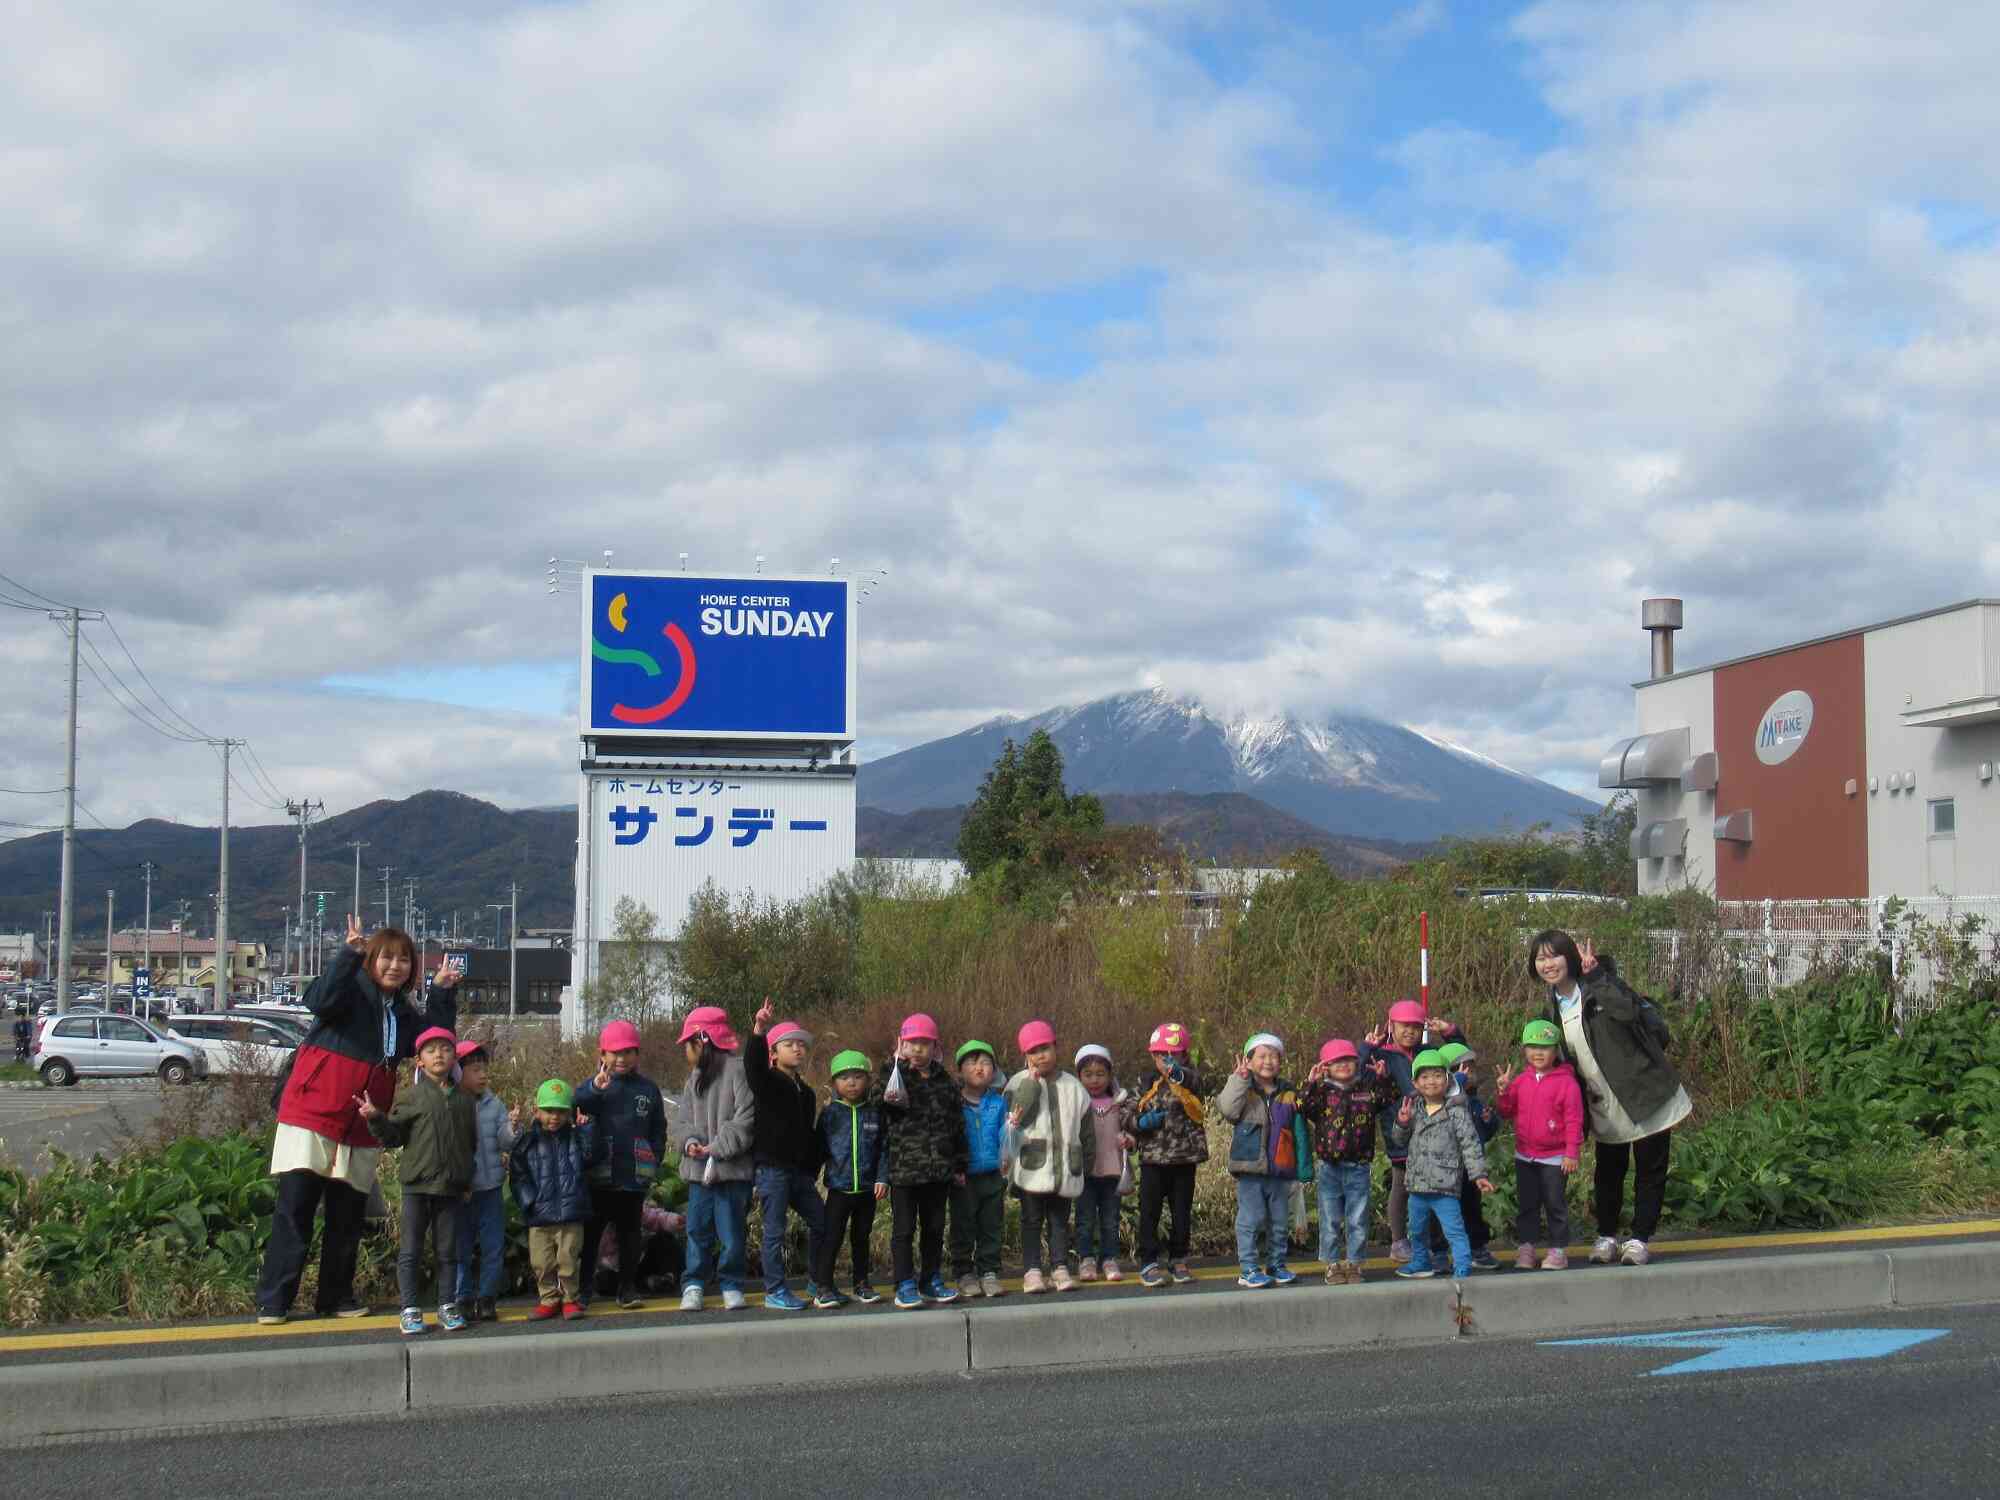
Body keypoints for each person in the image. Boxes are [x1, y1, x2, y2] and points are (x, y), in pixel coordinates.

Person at [255, 914, 459, 1324]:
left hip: (362, 1121)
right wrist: (347, 955)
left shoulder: (402, 1012)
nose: (395, 966)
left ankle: (335, 1296)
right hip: (312, 1111)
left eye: (404, 960)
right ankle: (274, 1300)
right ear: (371, 959)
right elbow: (318, 1000)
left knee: (347, 1215)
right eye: (386, 957)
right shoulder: (349, 989)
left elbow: (434, 1042)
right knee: (295, 1207)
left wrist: (440, 993)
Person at [1530, 929, 1691, 1266]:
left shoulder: (1600, 985)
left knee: (1650, 1168)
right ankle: (1606, 1236)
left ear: (1570, 958)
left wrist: (1598, 976)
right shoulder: (1552, 1009)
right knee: (1608, 1171)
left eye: (1554, 955)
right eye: (1541, 958)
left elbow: (1629, 1013)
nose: (1548, 964)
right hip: (1603, 1100)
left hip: (1643, 1090)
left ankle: (1639, 1239)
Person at [355, 1025, 477, 1335]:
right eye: (431, 1050)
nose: (439, 1054)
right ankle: (409, 1309)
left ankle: (447, 1305)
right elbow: (394, 1137)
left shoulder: (465, 1100)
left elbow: (469, 1143)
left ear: (454, 1058)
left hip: (451, 1187)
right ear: (419, 1061)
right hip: (417, 1185)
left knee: (448, 1252)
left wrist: (466, 1181)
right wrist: (376, 1118)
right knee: (411, 1251)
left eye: (446, 1049)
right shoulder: (411, 1097)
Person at [670, 1005, 756, 1311]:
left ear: (702, 1040)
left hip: (731, 1171)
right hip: (699, 1173)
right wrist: (690, 1142)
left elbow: (746, 1118)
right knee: (697, 1230)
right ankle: (693, 1282)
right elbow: (681, 1122)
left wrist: (717, 1147)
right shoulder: (693, 1078)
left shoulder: (738, 1071)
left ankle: (731, 1283)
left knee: (731, 1232)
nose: (686, 1051)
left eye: (688, 1044)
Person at [743, 1000, 828, 1311]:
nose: (797, 1049)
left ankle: (817, 1280)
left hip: (798, 1174)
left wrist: (811, 1168)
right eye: (789, 1044)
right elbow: (752, 1066)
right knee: (775, 1232)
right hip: (772, 1170)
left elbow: (808, 1135)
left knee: (822, 1222)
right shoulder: (767, 1082)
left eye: (801, 1045)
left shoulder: (806, 1093)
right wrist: (759, 1030)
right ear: (774, 1053)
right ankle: (775, 1290)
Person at [879, 1012, 968, 1309]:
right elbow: (883, 1102)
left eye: (924, 1043)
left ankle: (930, 1278)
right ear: (902, 1044)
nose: (918, 1049)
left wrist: (959, 1164)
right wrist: (895, 1065)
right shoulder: (895, 1075)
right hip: (905, 1171)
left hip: (939, 1171)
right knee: (904, 1230)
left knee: (934, 1228)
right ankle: (904, 1282)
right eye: (912, 1043)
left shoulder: (946, 1082)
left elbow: (957, 1125)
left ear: (935, 1047)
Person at [1388, 1050, 1495, 1281]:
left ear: (1448, 1079)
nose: (1431, 1081)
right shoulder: (1413, 1108)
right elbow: (1399, 1140)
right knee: (1416, 1230)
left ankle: (1463, 1264)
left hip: (1445, 1186)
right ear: (1415, 1082)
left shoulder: (1457, 1110)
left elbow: (1470, 1143)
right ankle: (1420, 1263)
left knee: (1454, 1230)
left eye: (1437, 1075)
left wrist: (1478, 1174)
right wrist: (1402, 1123)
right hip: (1417, 1185)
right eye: (1424, 1077)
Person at [1004, 1020, 1091, 1294]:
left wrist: (1087, 1162)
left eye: (1045, 1048)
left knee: (1059, 1222)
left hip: (1066, 1166)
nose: (1040, 1056)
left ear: (1056, 1047)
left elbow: (1086, 1130)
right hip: (1032, 1167)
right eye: (1033, 1051)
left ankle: (1059, 1266)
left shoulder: (1074, 1086)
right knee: (1031, 1221)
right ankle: (1031, 1270)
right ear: (1025, 1057)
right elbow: (1017, 1117)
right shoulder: (1017, 1083)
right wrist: (1031, 1085)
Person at [510, 1078, 605, 1320]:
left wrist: (587, 1130)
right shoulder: (528, 1141)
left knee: (568, 1258)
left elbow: (593, 1157)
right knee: (541, 1261)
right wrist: (529, 1201)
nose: (555, 1117)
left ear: (570, 1113)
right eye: (549, 1110)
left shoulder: (575, 1137)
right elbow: (518, 1174)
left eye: (561, 1111)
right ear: (537, 1111)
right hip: (540, 1214)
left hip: (571, 1212)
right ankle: (549, 1298)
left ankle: (570, 1299)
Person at [1299, 1037, 1390, 1284]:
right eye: (1336, 1062)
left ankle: (1355, 1263)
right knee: (1330, 1218)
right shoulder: (1321, 1093)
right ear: (1325, 1066)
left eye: (1348, 1061)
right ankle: (1332, 1264)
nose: (1343, 1066)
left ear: (1357, 1064)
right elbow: (1301, 1106)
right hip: (1329, 1166)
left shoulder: (1366, 1090)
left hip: (1359, 1166)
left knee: (1358, 1218)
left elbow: (1385, 1100)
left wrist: (1382, 1078)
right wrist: (1310, 1083)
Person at [1495, 1018, 1584, 1270]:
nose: (1538, 1053)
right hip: (1525, 1156)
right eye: (1532, 1047)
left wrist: (1571, 1153)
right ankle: (1527, 1247)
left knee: (1555, 1204)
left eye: (1544, 1047)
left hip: (1556, 1158)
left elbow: (1574, 1120)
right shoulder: (1521, 1080)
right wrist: (1503, 1091)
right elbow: (1506, 1111)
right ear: (1524, 1050)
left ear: (1556, 1051)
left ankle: (1558, 1250)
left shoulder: (1567, 1083)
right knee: (1527, 1205)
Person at [1217, 1032, 1304, 1288]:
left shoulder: (1287, 1090)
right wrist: (1239, 1079)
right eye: (1262, 1056)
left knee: (1279, 1222)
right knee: (1251, 1220)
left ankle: (1276, 1264)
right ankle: (1249, 1268)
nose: (1268, 1061)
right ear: (1249, 1060)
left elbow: (1300, 1121)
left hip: (1280, 1166)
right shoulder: (1245, 1087)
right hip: (1250, 1167)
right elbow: (1228, 1110)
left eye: (1274, 1056)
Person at [1124, 1021, 1206, 1288]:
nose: (1164, 1061)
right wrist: (1140, 1123)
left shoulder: (1192, 1078)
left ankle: (1179, 1258)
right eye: (1159, 1055)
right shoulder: (1146, 1081)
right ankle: (1148, 1261)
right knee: (1149, 1212)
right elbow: (1127, 1113)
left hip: (1184, 1158)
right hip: (1152, 1159)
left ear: (1184, 1055)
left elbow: (1194, 1085)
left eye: (1171, 1055)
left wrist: (1177, 1072)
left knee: (1181, 1211)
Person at [814, 1049, 888, 1307]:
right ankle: (823, 1286)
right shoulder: (830, 1113)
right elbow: (819, 1149)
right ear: (834, 1082)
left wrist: (882, 1178)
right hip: (839, 1189)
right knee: (831, 1237)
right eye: (844, 1077)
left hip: (867, 1190)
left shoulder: (874, 1112)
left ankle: (861, 1284)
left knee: (861, 1237)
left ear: (867, 1080)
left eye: (858, 1076)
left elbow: (883, 1149)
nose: (852, 1082)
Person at [453, 1039, 515, 1322]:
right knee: (461, 1247)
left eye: (484, 1069)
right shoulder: (452, 1103)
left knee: (493, 1246)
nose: (482, 1075)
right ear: (457, 1072)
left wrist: (512, 1127)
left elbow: (505, 1142)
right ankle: (462, 1296)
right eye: (475, 1070)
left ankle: (487, 1297)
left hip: (491, 1189)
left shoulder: (494, 1103)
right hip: (462, 1192)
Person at [951, 1039, 1009, 1300]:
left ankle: (989, 1272)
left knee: (991, 1225)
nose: (979, 1068)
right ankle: (964, 1272)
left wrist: (1007, 1157)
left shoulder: (998, 1103)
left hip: (992, 1174)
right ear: (960, 1070)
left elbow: (1005, 1136)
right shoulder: (953, 1103)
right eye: (972, 1063)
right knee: (963, 1225)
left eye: (986, 1063)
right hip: (964, 1177)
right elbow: (948, 1137)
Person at [1439, 1041, 1502, 1271]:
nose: (1468, 1073)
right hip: (1447, 1168)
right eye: (1460, 1069)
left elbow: (1484, 1134)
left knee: (1472, 1209)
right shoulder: (1441, 1102)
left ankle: (1477, 1248)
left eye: (1470, 1067)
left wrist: (1488, 1121)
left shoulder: (1475, 1101)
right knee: (1446, 1212)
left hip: (1471, 1168)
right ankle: (1444, 1251)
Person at [1071, 1044, 1132, 1283]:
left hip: (1113, 1172)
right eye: (1088, 1074)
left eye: (1100, 1074)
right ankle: (1086, 1259)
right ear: (1079, 1076)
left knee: (1110, 1220)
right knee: (1085, 1219)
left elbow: (1130, 1131)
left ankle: (1109, 1259)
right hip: (1085, 1173)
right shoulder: (1076, 1103)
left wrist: (1128, 1140)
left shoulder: (1120, 1103)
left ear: (1110, 1075)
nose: (1094, 1080)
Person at [594, 1200, 687, 1298]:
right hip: (615, 1269)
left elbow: (656, 1218)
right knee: (603, 1280)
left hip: (638, 1261)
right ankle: (645, 1283)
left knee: (664, 1238)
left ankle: (668, 1276)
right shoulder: (593, 1222)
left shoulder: (630, 1206)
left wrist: (676, 1220)